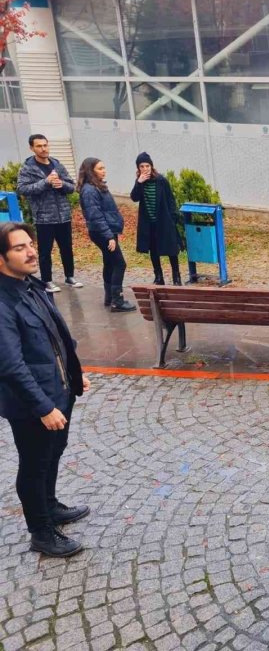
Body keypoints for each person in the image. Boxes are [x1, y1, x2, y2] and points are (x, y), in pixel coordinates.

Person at [0, 222, 91, 557]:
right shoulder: (3, 302)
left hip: (59, 391)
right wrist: (42, 408)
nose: (31, 251)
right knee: (34, 464)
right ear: (1, 258)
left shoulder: (30, 286)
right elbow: (10, 366)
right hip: (32, 405)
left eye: (30, 244)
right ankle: (41, 531)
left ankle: (50, 505)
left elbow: (56, 334)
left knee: (53, 453)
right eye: (19, 248)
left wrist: (74, 372)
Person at [15, 134, 82, 293]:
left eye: (45, 145)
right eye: (39, 146)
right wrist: (45, 182)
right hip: (44, 217)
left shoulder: (56, 165)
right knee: (45, 251)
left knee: (66, 248)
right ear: (32, 148)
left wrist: (61, 184)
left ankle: (70, 276)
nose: (43, 149)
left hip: (63, 215)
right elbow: (22, 189)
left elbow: (72, 186)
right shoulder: (27, 168)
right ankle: (47, 281)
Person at [76, 158, 136, 312]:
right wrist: (109, 236)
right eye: (100, 168)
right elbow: (95, 216)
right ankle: (117, 300)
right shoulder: (90, 190)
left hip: (106, 230)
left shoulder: (97, 186)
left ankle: (109, 297)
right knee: (119, 263)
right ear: (91, 171)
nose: (104, 171)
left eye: (104, 167)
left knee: (110, 262)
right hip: (102, 232)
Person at [130, 152, 183, 285]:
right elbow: (134, 197)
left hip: (164, 221)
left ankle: (176, 277)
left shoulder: (161, 180)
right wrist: (139, 183)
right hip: (149, 222)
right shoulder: (140, 182)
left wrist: (173, 218)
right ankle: (158, 276)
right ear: (138, 168)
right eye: (141, 166)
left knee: (171, 249)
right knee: (153, 250)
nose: (145, 169)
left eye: (147, 165)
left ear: (151, 166)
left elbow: (171, 200)